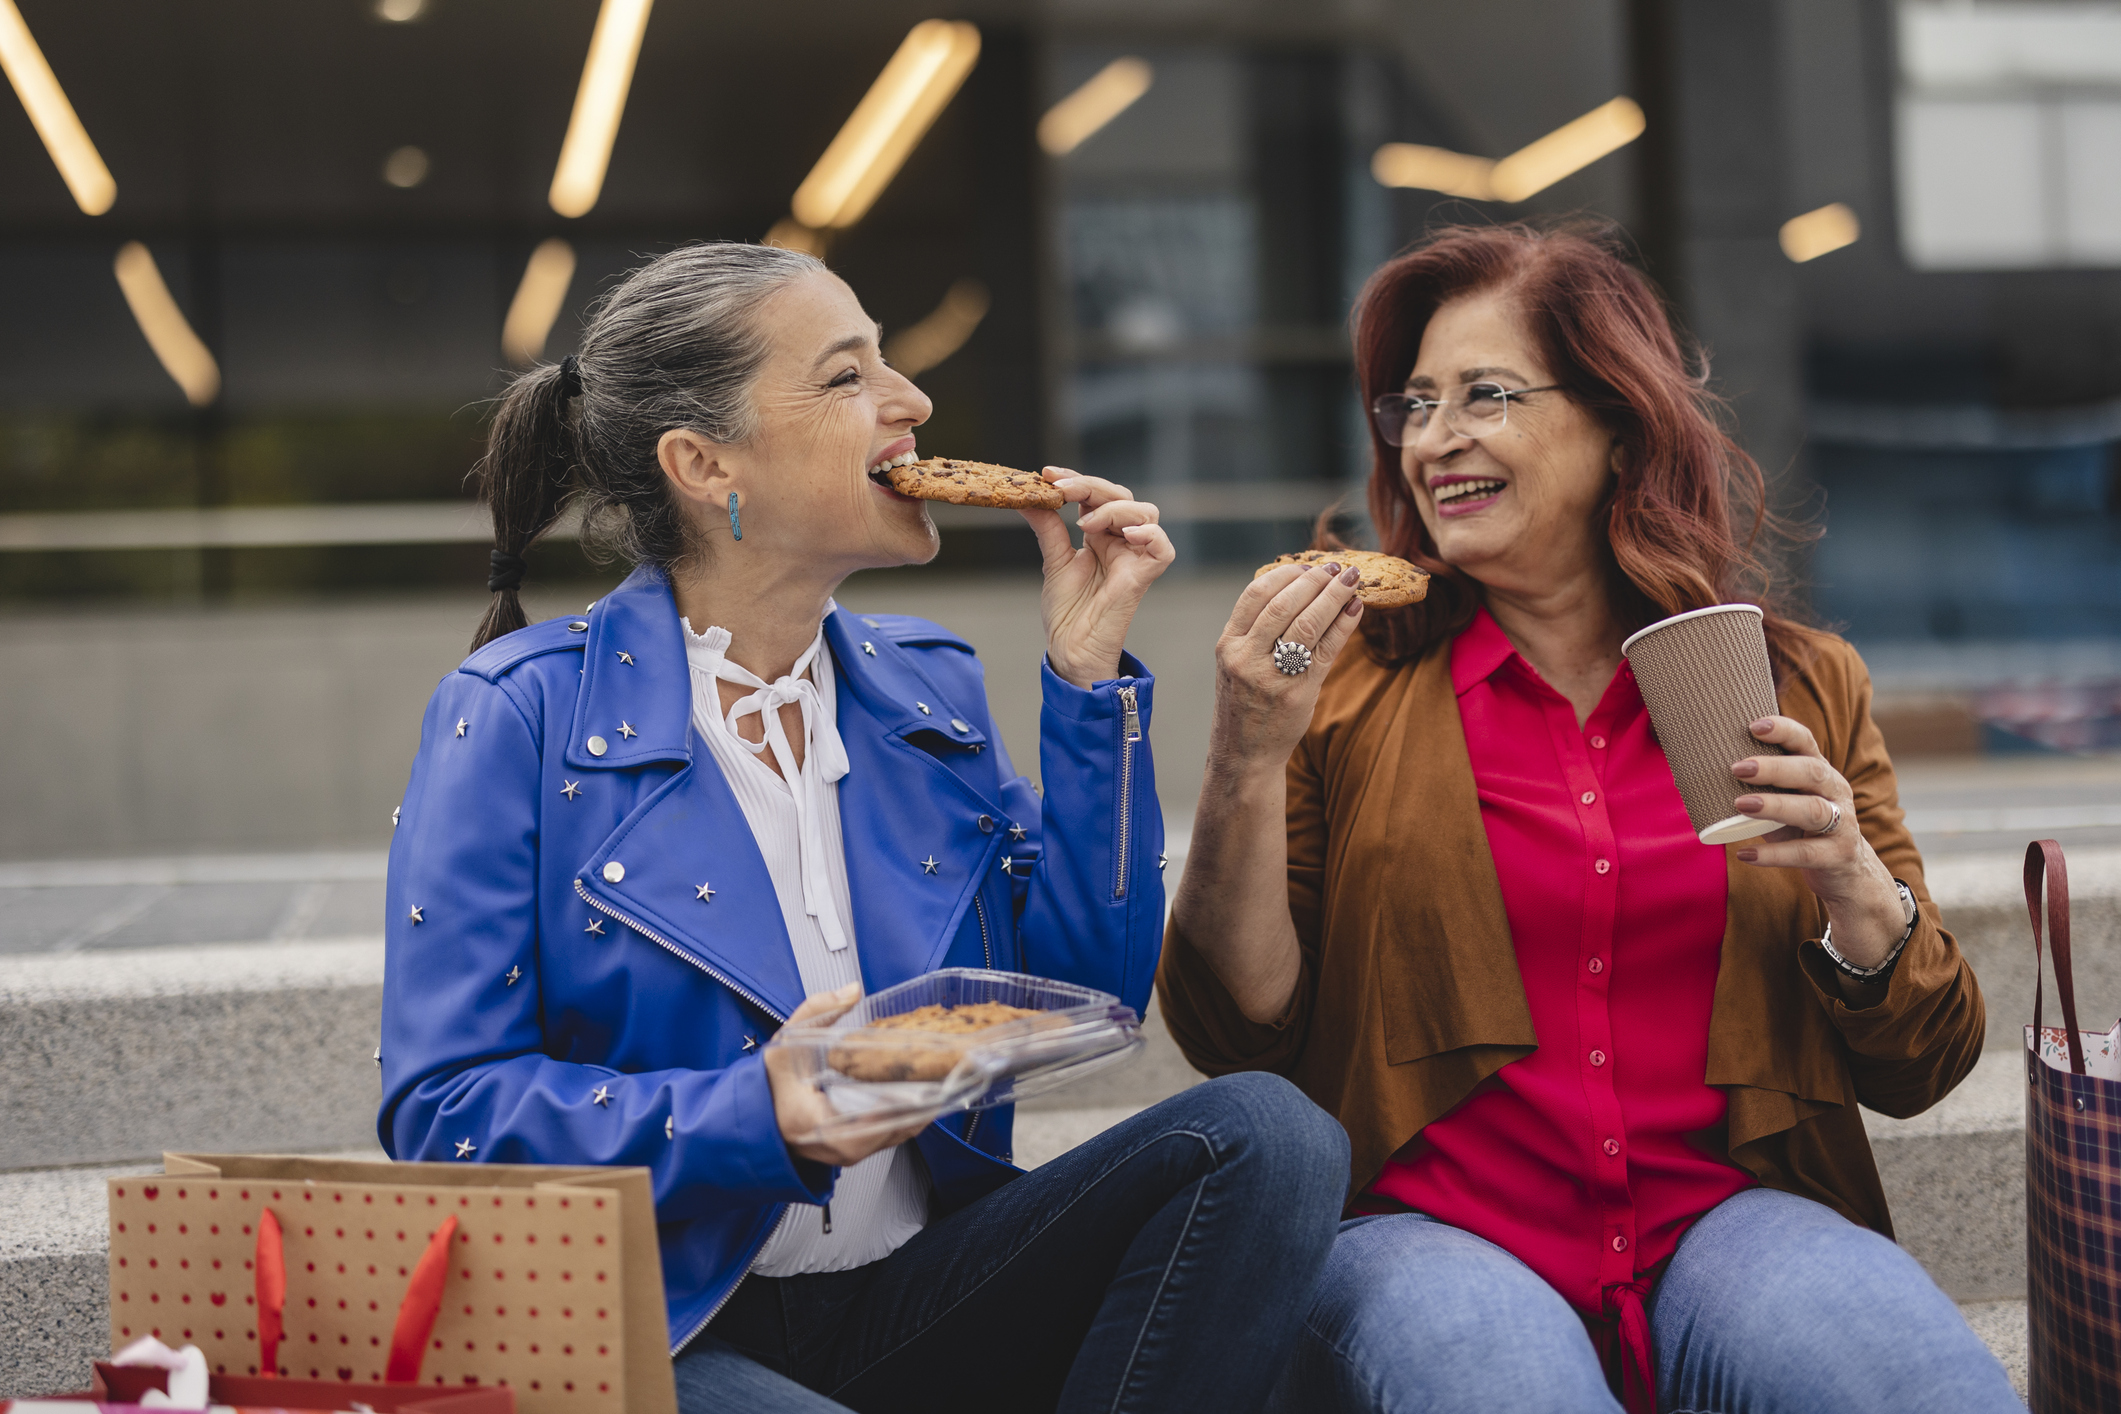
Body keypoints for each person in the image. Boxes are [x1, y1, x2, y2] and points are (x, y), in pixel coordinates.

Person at [377, 242, 1347, 1414]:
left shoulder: (924, 687)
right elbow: (444, 1113)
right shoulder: (519, 713)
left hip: (915, 1293)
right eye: (847, 378)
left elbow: (1084, 995)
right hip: (665, 1327)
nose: (914, 401)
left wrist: (1088, 686)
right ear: (701, 461)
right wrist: (756, 1111)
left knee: (1269, 1137)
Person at [1157, 224, 2019, 1413]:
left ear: (1621, 423)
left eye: (1485, 395)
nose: (1434, 438)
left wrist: (1853, 887)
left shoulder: (1795, 682)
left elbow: (1928, 1059)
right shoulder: (1344, 687)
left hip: (1720, 1218)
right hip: (1429, 1228)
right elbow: (1236, 1026)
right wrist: (1246, 754)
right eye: (1413, 405)